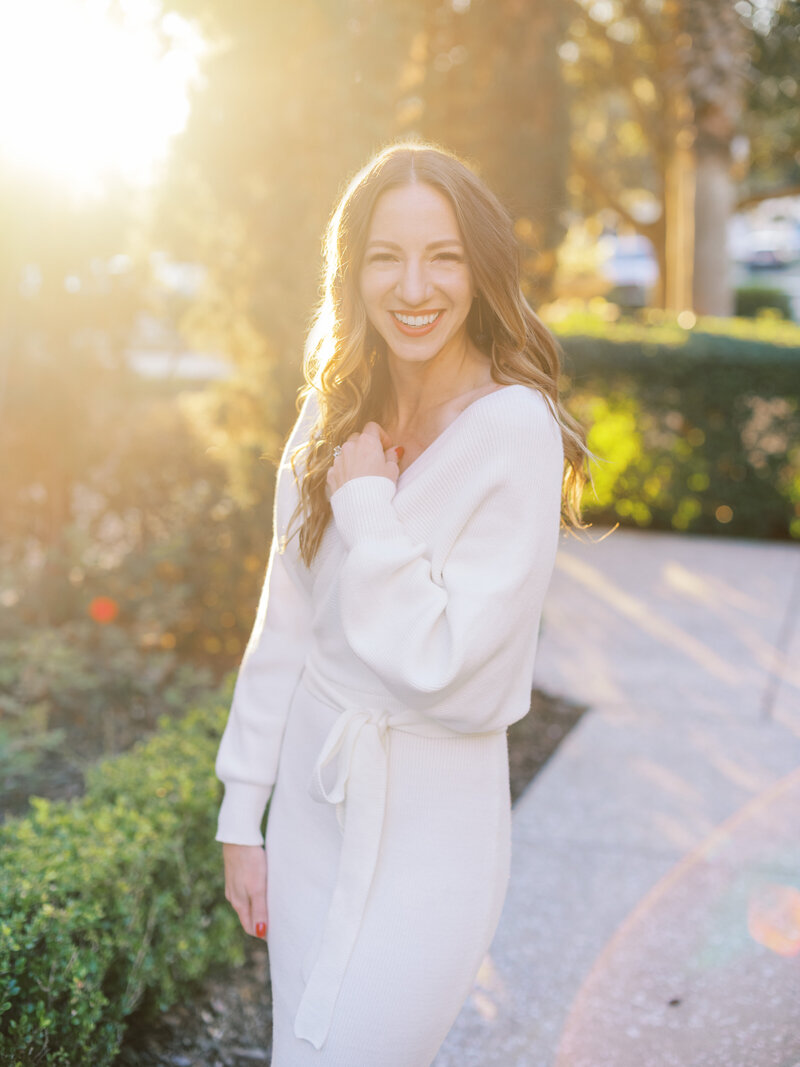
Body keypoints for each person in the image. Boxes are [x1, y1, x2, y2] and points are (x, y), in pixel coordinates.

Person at [214, 140, 592, 1065]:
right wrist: (241, 810)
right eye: (386, 254)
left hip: (434, 817)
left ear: (481, 269)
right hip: (312, 790)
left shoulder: (514, 430)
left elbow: (452, 672)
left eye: (444, 255)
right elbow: (286, 618)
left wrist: (369, 509)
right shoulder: (333, 407)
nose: (413, 286)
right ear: (353, 270)